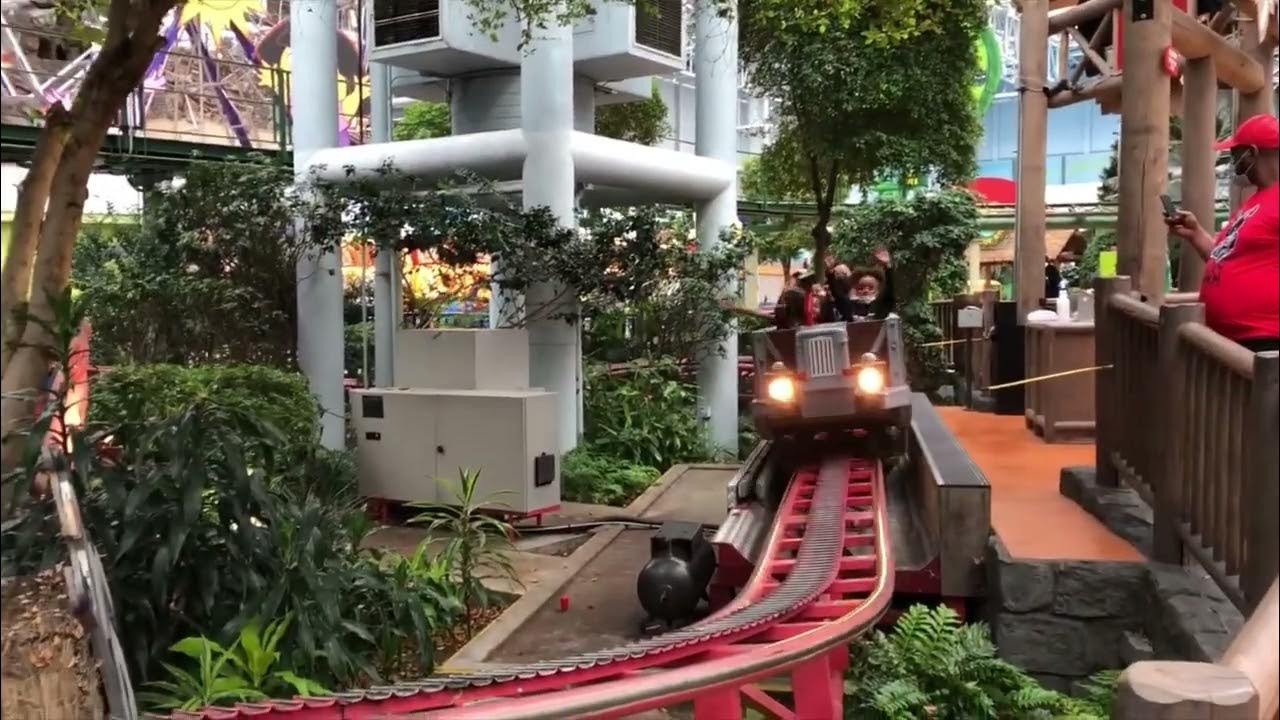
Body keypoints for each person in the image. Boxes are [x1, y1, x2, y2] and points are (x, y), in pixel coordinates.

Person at [1166, 113, 1279, 353]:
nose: (1234, 163)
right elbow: (1224, 257)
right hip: (1231, 342)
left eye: (1237, 155)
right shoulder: (1254, 200)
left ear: (1253, 153)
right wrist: (1195, 233)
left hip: (1264, 343)